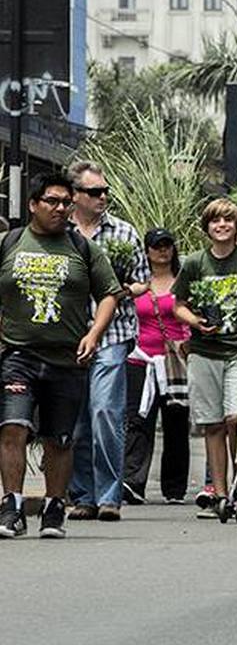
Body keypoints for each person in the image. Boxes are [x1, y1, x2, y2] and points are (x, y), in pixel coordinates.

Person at [0, 172, 122, 539]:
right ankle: (12, 505)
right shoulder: (10, 243)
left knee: (60, 438)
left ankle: (54, 506)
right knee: (12, 427)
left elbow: (110, 293)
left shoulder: (83, 248)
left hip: (68, 360)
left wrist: (94, 333)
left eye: (65, 202)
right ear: (33, 204)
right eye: (51, 201)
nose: (60, 208)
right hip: (18, 354)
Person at [173, 199, 237, 515]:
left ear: (236, 226)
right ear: (207, 228)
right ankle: (220, 494)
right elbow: (177, 304)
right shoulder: (194, 263)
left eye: (228, 221)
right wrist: (195, 322)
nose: (222, 226)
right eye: (215, 221)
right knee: (213, 424)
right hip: (204, 353)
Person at [67, 161, 149, 522]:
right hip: (67, 335)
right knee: (78, 419)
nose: (102, 198)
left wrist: (118, 290)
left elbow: (144, 280)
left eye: (105, 191)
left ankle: (109, 495)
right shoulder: (61, 232)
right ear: (75, 196)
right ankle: (83, 494)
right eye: (94, 192)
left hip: (113, 333)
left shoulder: (123, 232)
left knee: (105, 412)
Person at [122, 229, 191, 505]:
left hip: (175, 360)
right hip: (141, 359)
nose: (162, 251)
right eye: (156, 246)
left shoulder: (183, 281)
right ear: (147, 250)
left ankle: (174, 488)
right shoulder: (139, 283)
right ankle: (132, 482)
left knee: (176, 421)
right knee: (138, 421)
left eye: (167, 245)